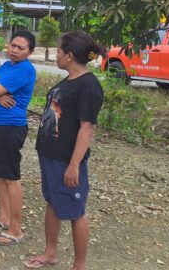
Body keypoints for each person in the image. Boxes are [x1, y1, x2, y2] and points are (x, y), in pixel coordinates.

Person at [24, 32, 104, 270]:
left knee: (76, 211)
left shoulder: (89, 86)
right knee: (53, 202)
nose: (56, 55)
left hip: (66, 160)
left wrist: (74, 165)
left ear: (69, 56)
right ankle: (50, 253)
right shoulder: (69, 80)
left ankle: (80, 265)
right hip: (50, 156)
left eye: (58, 52)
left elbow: (87, 128)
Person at [0, 30, 37, 246]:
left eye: (20, 48)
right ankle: (4, 218)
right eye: (13, 45)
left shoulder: (24, 69)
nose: (14, 50)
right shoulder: (5, 67)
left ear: (30, 52)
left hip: (9, 127)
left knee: (11, 176)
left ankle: (16, 229)